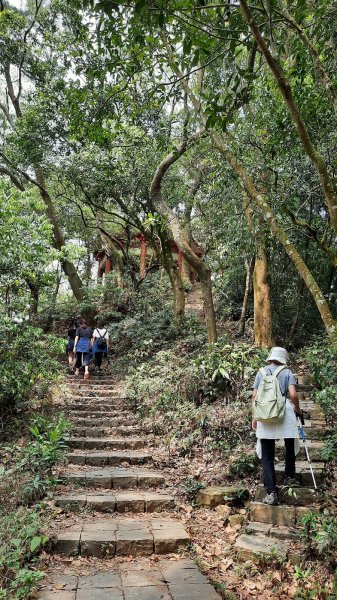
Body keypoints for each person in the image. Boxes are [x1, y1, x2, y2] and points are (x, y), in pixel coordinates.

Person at [252, 346, 302, 506]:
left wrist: (255, 417)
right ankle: (289, 478)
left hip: (264, 414)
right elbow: (293, 395)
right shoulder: (287, 372)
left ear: (270, 357)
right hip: (284, 412)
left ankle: (271, 493)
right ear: (283, 359)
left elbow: (254, 397)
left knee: (267, 454)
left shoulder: (260, 372)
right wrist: (298, 410)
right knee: (290, 443)